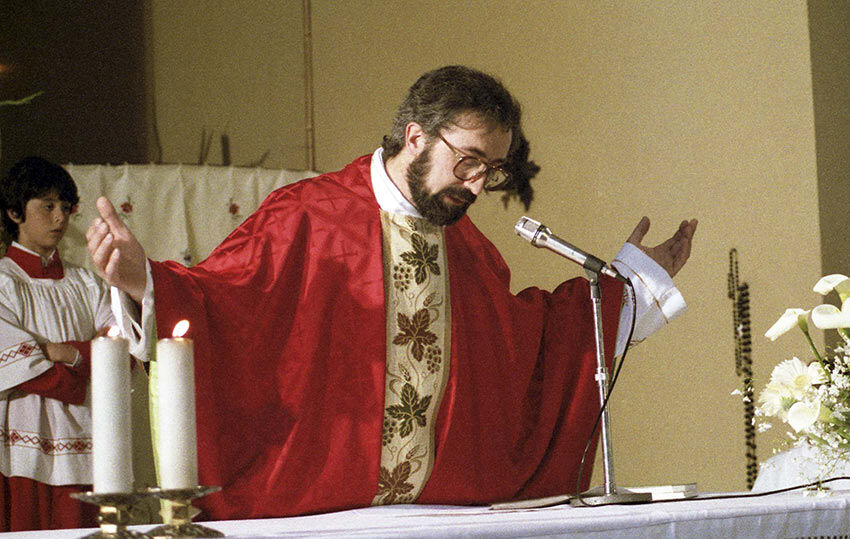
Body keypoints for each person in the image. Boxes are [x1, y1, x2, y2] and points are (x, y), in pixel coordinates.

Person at [87, 65, 697, 520]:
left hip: (435, 519)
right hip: (317, 515)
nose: (477, 185)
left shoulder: (467, 249)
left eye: (492, 171)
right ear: (416, 136)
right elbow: (221, 304)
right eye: (468, 161)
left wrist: (629, 286)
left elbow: (527, 348)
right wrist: (145, 282)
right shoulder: (307, 217)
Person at [0, 157, 147, 531]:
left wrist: (63, 352)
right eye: (47, 206)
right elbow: (16, 369)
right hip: (23, 444)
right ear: (15, 212)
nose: (60, 218)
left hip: (88, 438)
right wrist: (84, 372)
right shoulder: (3, 282)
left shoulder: (87, 283)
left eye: (66, 207)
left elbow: (124, 352)